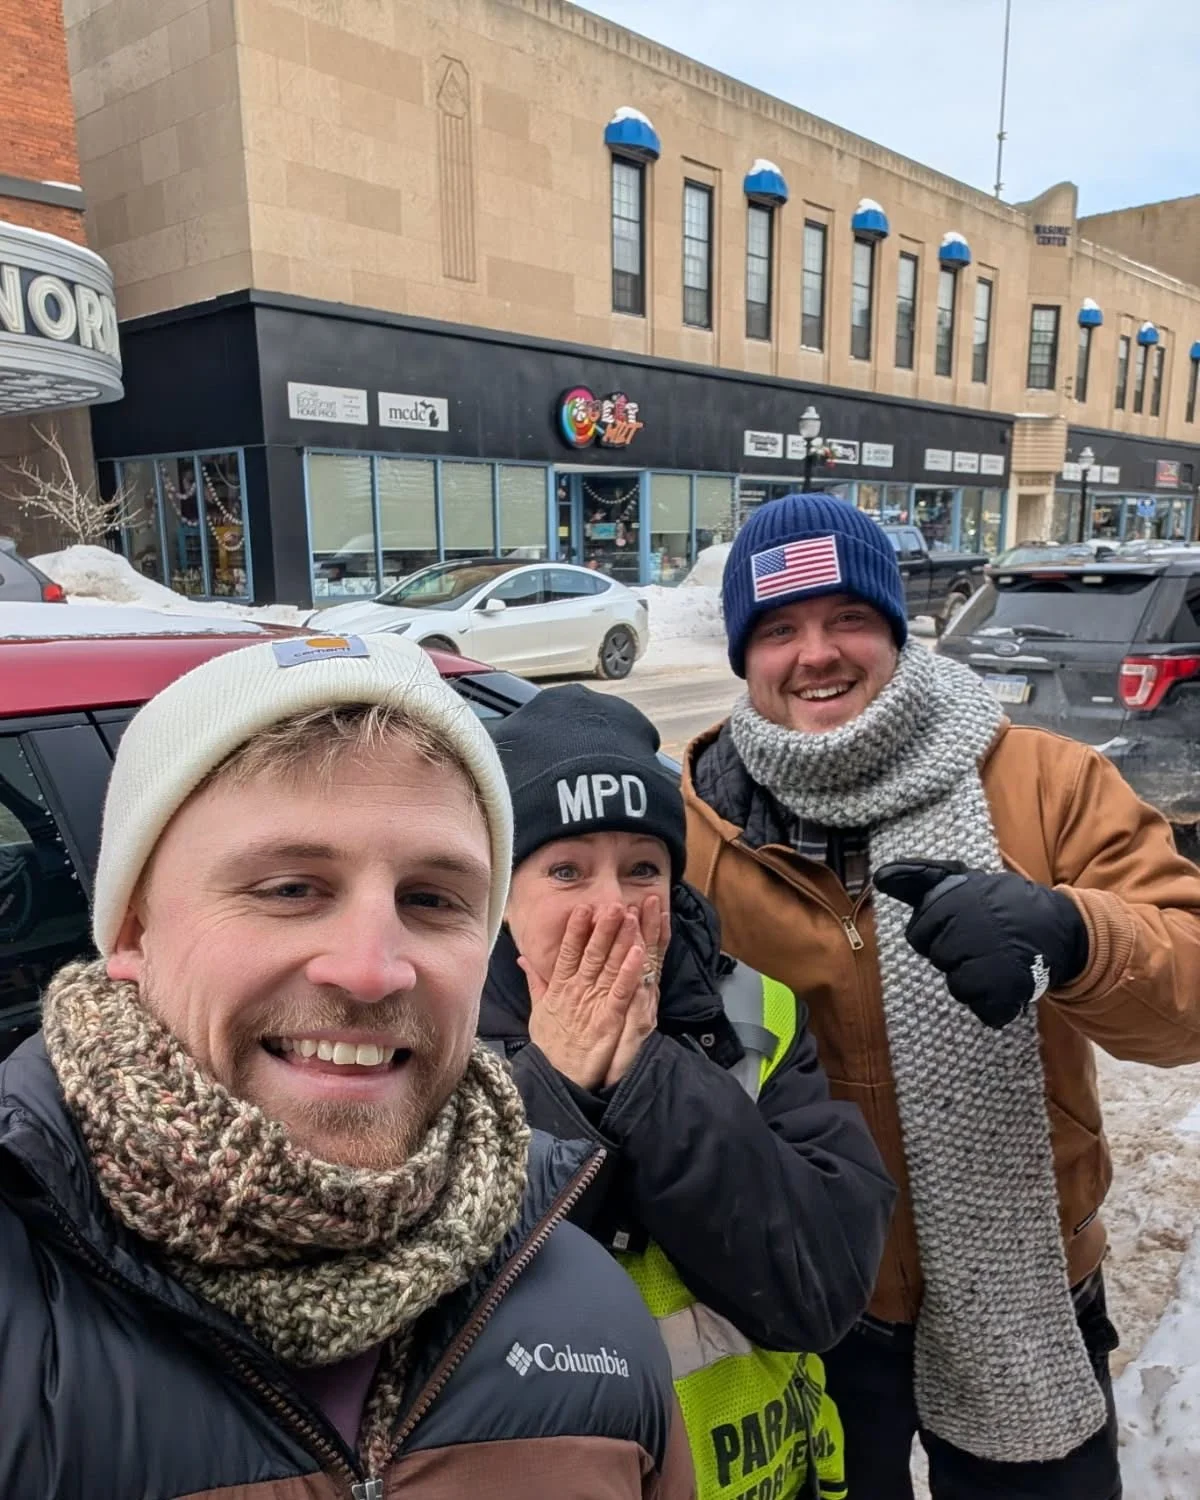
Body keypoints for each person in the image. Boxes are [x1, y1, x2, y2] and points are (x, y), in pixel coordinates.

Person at [0, 633, 693, 1500]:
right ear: (134, 930)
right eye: (290, 888)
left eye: (431, 899)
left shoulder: (591, 1317)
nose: (372, 969)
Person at [683, 492, 1200, 1500]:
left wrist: (1076, 935)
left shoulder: (1048, 782)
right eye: (779, 629)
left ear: (894, 630)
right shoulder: (699, 824)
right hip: (809, 1291)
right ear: (745, 656)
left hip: (1028, 1290)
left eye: (847, 618)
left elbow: (1187, 988)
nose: (816, 654)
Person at [481, 684, 895, 1500]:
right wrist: (555, 1085)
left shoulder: (756, 1015)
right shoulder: (436, 1040)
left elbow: (819, 1289)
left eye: (643, 869)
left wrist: (651, 1074)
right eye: (566, 871)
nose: (612, 906)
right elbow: (444, 1316)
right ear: (501, 893)